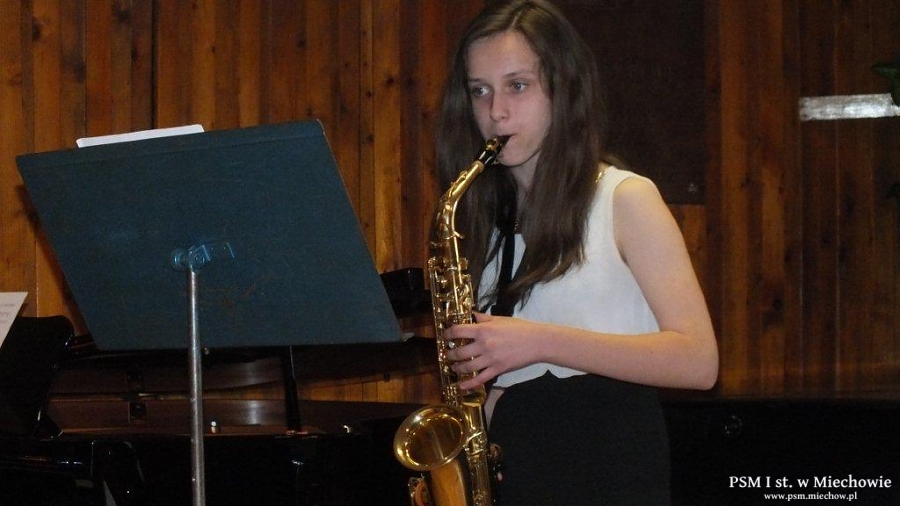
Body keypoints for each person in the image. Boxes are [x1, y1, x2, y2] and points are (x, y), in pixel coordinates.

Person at [436, 1, 719, 504]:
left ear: (563, 89)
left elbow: (698, 362)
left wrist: (540, 342)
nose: (495, 111)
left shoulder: (625, 198)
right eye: (480, 90)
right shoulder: (485, 220)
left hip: (606, 472)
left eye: (517, 85)